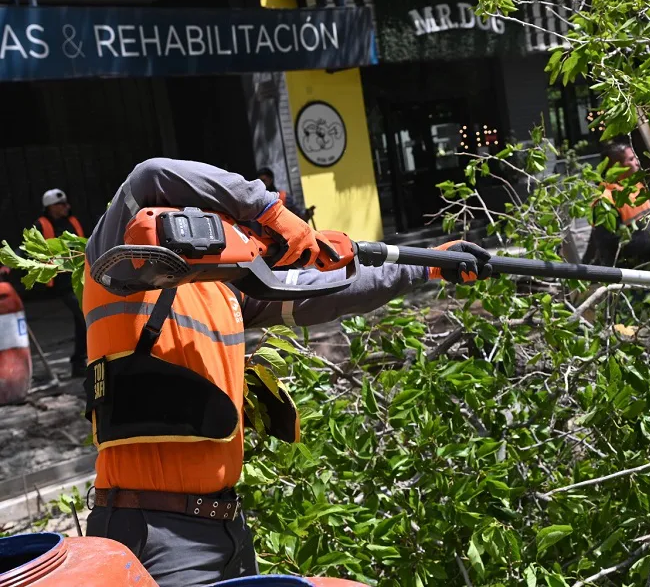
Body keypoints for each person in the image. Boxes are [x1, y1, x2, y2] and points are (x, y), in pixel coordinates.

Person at [81, 158, 490, 587]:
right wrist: (270, 212)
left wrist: (425, 265)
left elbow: (323, 294)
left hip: (226, 526)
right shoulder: (115, 263)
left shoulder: (225, 291)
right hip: (150, 531)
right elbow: (154, 175)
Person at [582, 140, 650, 269]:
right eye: (631, 159)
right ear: (617, 166)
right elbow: (611, 243)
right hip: (628, 272)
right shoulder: (605, 200)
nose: (637, 162)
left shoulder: (638, 187)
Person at [35, 188, 87, 377]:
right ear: (50, 207)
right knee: (85, 315)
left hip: (80, 278)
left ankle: (78, 364)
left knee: (80, 320)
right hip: (62, 283)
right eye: (61, 204)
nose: (66, 207)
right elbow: (28, 247)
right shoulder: (41, 225)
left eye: (66, 203)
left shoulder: (72, 222)